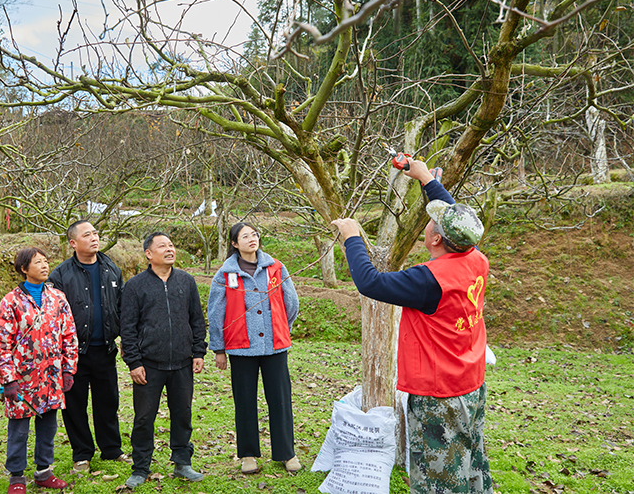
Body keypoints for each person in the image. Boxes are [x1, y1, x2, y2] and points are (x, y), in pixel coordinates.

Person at [330, 157, 492, 494]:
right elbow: (454, 216)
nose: (430, 223)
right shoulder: (474, 256)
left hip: (438, 394)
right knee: (470, 458)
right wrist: (424, 178)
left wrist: (352, 237)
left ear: (435, 240)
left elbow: (371, 283)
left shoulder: (429, 280)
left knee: (438, 476)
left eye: (433, 224)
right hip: (470, 382)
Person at [207, 222, 301, 475]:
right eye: (245, 236)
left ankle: (286, 453)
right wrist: (218, 349)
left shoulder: (276, 268)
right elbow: (216, 313)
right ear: (235, 244)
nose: (252, 239)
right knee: (245, 402)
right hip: (240, 348)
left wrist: (280, 327)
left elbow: (291, 304)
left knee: (280, 401)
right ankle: (248, 454)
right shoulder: (225, 275)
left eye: (255, 234)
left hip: (275, 347)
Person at [119, 232, 208, 489]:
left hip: (182, 362)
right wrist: (134, 362)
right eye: (162, 246)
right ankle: (140, 467)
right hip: (149, 364)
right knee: (144, 418)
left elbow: (197, 320)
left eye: (171, 245)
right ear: (149, 253)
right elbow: (128, 328)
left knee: (182, 414)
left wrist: (198, 352)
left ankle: (182, 462)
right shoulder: (135, 285)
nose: (169, 249)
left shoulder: (186, 281)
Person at [0, 247, 78, 494]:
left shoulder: (58, 298)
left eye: (46, 261)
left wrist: (68, 369)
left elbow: (69, 334)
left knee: (49, 425)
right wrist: (8, 379)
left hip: (51, 376)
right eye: (37, 262)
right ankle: (16, 476)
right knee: (19, 429)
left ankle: (44, 472)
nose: (44, 266)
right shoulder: (11, 301)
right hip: (22, 379)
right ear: (23, 269)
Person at [49, 220, 126, 471]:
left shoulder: (111, 269)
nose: (94, 237)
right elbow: (52, 315)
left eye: (95, 233)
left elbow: (122, 307)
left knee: (108, 401)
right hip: (72, 354)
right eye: (87, 234)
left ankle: (112, 449)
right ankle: (82, 452)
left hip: (105, 349)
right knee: (74, 405)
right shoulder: (60, 274)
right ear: (73, 243)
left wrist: (125, 338)